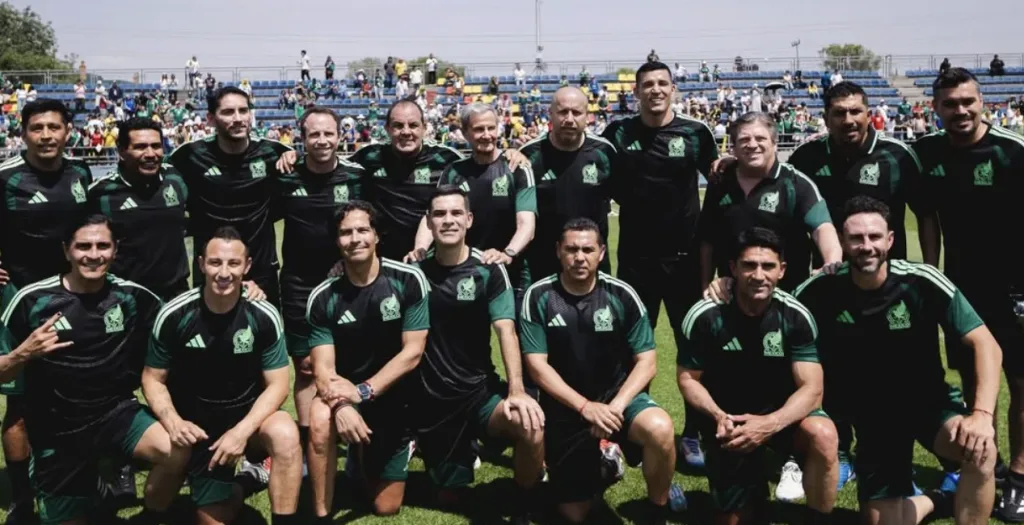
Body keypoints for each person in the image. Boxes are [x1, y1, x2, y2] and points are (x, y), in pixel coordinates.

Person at [792, 196, 999, 524]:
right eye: (856, 238)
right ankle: (937, 499)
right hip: (877, 422)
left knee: (981, 452)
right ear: (843, 242)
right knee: (883, 521)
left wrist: (982, 415)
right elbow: (772, 304)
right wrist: (727, 285)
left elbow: (986, 343)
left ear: (890, 239)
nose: (866, 246)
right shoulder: (823, 288)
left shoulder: (922, 280)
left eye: (874, 236)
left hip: (929, 405)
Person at [0, 214, 190, 525]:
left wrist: (244, 290)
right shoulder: (31, 300)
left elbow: (185, 315)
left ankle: (150, 516)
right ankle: (92, 488)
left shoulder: (132, 296)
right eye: (83, 246)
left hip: (117, 413)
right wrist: (23, 353)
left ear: (115, 250)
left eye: (103, 245)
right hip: (58, 429)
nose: (93, 254)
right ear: (66, 251)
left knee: (178, 451)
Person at [912, 67, 1024, 520]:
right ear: (935, 108)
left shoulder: (1011, 152)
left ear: (983, 103)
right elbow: (929, 218)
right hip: (961, 289)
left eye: (968, 102)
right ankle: (987, 465)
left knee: (1020, 382)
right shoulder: (926, 153)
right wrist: (933, 274)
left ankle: (1019, 478)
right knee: (977, 382)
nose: (960, 110)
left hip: (1015, 288)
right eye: (950, 103)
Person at [520, 218, 683, 524]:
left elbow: (647, 361)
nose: (579, 257)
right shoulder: (540, 296)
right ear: (558, 251)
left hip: (615, 399)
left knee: (660, 428)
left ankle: (656, 512)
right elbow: (537, 366)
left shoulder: (622, 295)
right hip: (565, 406)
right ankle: (599, 466)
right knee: (574, 514)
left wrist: (614, 407)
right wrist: (585, 407)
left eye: (587, 249)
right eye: (571, 249)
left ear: (602, 253)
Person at [601, 61, 721, 468]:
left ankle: (694, 434)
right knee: (632, 351)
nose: (655, 90)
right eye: (647, 84)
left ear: (674, 89)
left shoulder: (696, 133)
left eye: (662, 83)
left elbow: (721, 185)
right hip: (635, 262)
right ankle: (634, 427)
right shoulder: (618, 134)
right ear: (635, 92)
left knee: (694, 351)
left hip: (687, 263)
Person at [142, 227, 302, 525]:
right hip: (197, 428)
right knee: (163, 506)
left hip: (247, 421)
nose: (224, 272)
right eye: (215, 263)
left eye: (233, 263)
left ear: (247, 266)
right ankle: (233, 482)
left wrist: (241, 432)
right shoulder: (175, 314)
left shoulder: (263, 314)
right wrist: (174, 422)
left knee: (285, 431)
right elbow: (152, 378)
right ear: (201, 264)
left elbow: (279, 384)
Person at [678, 227, 838, 524]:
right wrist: (718, 415)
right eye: (749, 265)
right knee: (736, 519)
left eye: (768, 266)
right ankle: (749, 480)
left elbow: (813, 389)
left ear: (782, 271)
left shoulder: (796, 316)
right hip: (729, 423)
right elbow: (688, 378)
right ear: (733, 269)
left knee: (824, 434)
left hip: (784, 420)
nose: (758, 274)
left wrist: (769, 424)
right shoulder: (705, 316)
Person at [413, 186, 544, 523]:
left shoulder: (489, 268)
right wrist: (339, 266)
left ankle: (525, 500)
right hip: (434, 403)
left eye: (456, 213)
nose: (448, 220)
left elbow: (506, 331)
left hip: (479, 393)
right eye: (439, 214)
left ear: (469, 219)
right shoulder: (414, 274)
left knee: (530, 425)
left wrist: (516, 390)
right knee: (448, 498)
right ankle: (458, 451)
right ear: (428, 221)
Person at [277, 100, 526, 261]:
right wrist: (294, 155)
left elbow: (482, 163)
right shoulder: (369, 157)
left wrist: (508, 154)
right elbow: (328, 158)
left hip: (433, 258)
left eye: (412, 125)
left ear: (424, 127)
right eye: (397, 126)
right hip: (382, 260)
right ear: (386, 129)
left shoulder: (446, 158)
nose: (405, 131)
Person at [0, 98, 94, 521]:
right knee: (19, 404)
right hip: (18, 302)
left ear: (67, 131)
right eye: (37, 128)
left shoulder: (81, 173)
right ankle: (23, 497)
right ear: (23, 133)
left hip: (72, 300)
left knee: (81, 390)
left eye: (54, 127)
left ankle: (89, 475)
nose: (46, 135)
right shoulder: (6, 178)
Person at [305, 201, 430, 521]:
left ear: (377, 236)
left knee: (385, 507)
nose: (355, 238)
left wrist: (363, 391)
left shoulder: (408, 280)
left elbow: (412, 352)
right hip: (344, 394)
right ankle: (321, 513)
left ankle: (393, 447)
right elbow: (323, 368)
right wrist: (343, 406)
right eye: (346, 232)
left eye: (363, 230)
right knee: (319, 418)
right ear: (337, 241)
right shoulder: (322, 297)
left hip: (395, 397)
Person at [275, 106, 365, 470]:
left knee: (355, 360)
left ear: (339, 136)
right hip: (298, 284)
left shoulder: (357, 177)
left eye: (328, 133)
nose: (322, 140)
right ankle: (312, 443)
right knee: (308, 367)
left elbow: (372, 224)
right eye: (314, 134)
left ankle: (359, 441)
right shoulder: (284, 177)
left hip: (347, 282)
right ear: (302, 138)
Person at [170, 86, 293, 307]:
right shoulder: (189, 155)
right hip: (213, 269)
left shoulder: (273, 153)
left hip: (261, 270)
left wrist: (294, 156)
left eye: (243, 111)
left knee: (264, 334)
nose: (238, 119)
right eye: (228, 112)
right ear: (210, 119)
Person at [699, 111, 841, 294]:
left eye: (760, 138)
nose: (752, 145)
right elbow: (708, 240)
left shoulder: (796, 183)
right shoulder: (720, 182)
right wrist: (705, 284)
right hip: (733, 294)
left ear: (774, 143)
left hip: (787, 296)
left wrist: (831, 262)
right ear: (733, 147)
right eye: (744, 139)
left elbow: (822, 227)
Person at [412, 103, 536, 306]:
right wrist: (420, 249)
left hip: (509, 268)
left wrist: (507, 254)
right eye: (478, 129)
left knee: (510, 333)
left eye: (491, 128)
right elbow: (432, 216)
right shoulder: (454, 172)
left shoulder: (517, 169)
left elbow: (526, 224)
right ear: (465, 133)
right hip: (466, 270)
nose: (486, 135)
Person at [519, 87, 617, 281]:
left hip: (592, 266)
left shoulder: (605, 152)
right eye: (563, 112)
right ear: (551, 115)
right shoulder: (528, 155)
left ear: (587, 116)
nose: (569, 119)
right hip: (542, 268)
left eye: (577, 112)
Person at [87, 118, 190, 301]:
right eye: (140, 147)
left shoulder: (175, 179)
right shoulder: (100, 193)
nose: (150, 154)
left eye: (156, 146)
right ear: (121, 151)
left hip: (175, 295)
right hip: (125, 299)